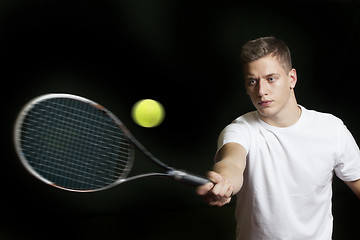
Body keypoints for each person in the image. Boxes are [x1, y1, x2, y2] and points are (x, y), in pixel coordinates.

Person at [197, 36, 360, 239]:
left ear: (291, 78)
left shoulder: (331, 129)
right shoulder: (239, 130)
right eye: (252, 81)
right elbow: (231, 163)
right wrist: (223, 182)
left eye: (271, 79)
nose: (261, 91)